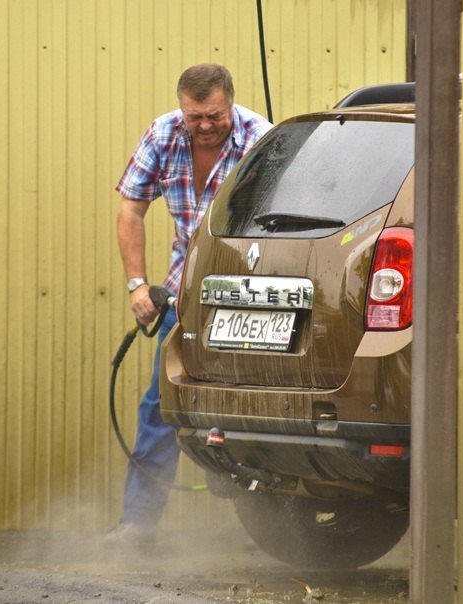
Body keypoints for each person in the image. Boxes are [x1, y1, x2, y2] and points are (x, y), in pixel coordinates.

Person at [109, 63, 272, 546]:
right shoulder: (163, 134)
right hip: (185, 294)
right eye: (194, 116)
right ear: (182, 108)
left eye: (214, 116)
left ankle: (277, 520)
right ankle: (137, 525)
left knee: (254, 404)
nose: (204, 125)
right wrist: (138, 285)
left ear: (231, 104)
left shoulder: (259, 139)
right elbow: (130, 210)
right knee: (162, 404)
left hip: (249, 293)